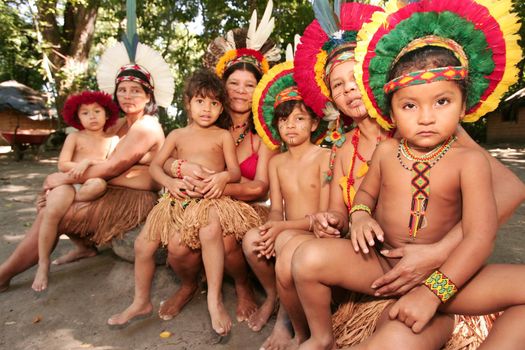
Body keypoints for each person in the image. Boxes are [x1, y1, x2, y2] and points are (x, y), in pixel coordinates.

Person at [291, 1, 525, 349]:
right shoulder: (385, 151)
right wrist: (358, 217)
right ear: (391, 111)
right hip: (385, 264)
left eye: (442, 102)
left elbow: (479, 238)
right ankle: (321, 337)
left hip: (452, 276)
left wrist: (434, 292)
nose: (426, 117)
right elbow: (365, 196)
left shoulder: (469, 161)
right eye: (410, 106)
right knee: (307, 258)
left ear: (464, 105)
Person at [0, 40, 173, 293]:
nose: (127, 95)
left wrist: (62, 178)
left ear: (148, 95)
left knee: (57, 214)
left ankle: (4, 274)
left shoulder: (146, 126)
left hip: (132, 199)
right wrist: (60, 182)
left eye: (136, 90)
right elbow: (93, 154)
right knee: (53, 204)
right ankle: (84, 248)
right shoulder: (119, 123)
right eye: (122, 89)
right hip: (105, 188)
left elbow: (110, 168)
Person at [155, 0, 281, 325]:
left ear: (259, 90)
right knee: (176, 250)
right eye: (233, 84)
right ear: (220, 89)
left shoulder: (264, 134)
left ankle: (241, 286)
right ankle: (188, 285)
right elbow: (165, 159)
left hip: (244, 209)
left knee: (223, 239)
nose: (240, 91)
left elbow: (260, 186)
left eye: (249, 85)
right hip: (193, 204)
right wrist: (177, 169)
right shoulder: (207, 123)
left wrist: (223, 183)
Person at [107, 70, 261, 336]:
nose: (207, 109)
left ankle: (214, 299)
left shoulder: (222, 136)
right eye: (200, 101)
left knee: (210, 230)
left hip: (208, 200)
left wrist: (223, 176)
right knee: (143, 244)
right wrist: (171, 183)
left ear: (221, 107)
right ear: (188, 103)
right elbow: (156, 167)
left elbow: (234, 172)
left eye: (214, 103)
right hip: (175, 199)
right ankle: (141, 301)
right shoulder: (177, 134)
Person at [242, 59, 330, 336]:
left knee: (286, 244)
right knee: (251, 240)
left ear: (315, 122)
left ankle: (285, 321)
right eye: (284, 119)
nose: (290, 126)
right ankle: (273, 295)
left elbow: (326, 214)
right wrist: (271, 227)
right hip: (286, 230)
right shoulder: (276, 163)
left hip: (316, 231)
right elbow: (276, 209)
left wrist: (282, 229)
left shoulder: (325, 157)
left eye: (299, 118)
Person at [32, 91, 120, 292]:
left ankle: (82, 246)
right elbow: (63, 164)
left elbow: (111, 165)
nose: (92, 116)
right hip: (69, 183)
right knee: (52, 212)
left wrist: (88, 161)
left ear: (107, 114)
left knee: (99, 184)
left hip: (91, 185)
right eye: (85, 113)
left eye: (97, 111)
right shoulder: (74, 136)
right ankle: (43, 263)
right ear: (77, 117)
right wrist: (78, 166)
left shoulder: (112, 140)